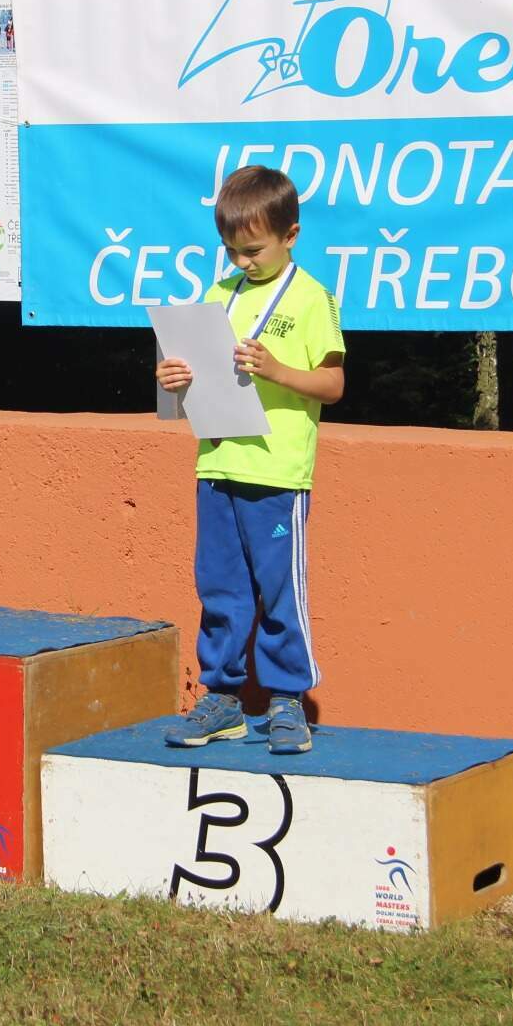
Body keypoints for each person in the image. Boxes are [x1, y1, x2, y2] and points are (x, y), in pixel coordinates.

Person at [154, 166, 345, 755]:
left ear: (291, 236)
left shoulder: (312, 298)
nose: (243, 262)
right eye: (232, 250)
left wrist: (277, 370)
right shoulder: (218, 295)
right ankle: (222, 698)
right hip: (217, 465)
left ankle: (287, 700)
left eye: (254, 250)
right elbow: (181, 396)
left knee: (280, 591)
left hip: (277, 471)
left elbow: (333, 384)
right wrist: (172, 379)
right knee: (219, 588)